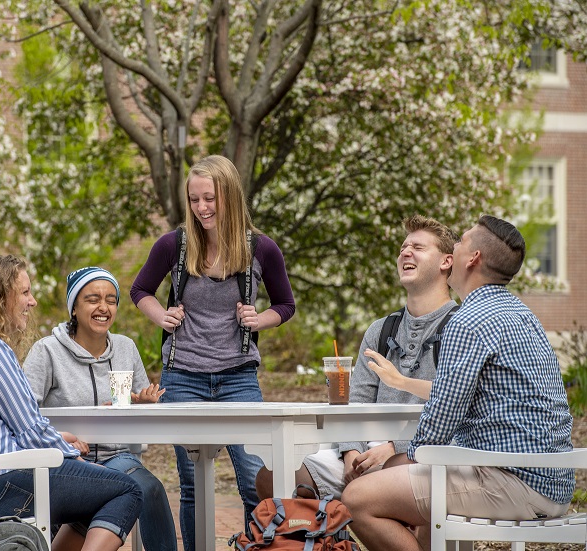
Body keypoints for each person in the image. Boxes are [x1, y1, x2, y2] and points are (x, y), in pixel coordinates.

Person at [341, 216, 575, 551]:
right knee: (419, 498)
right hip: (554, 480)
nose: (454, 248)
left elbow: (438, 424)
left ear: (473, 258)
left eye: (461, 242)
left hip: (512, 482)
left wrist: (393, 457)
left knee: (357, 497)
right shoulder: (522, 314)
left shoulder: (468, 320)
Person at [130, 154, 295, 551]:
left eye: (210, 199)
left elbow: (285, 305)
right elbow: (140, 291)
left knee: (256, 479)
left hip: (239, 377)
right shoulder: (173, 245)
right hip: (183, 375)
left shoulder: (262, 248)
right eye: (194, 200)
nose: (202, 208)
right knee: (192, 483)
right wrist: (162, 316)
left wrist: (259, 320)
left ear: (230, 198)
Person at [0, 255, 143, 551]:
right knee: (127, 489)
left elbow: (9, 427)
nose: (32, 301)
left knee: (95, 492)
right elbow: (31, 431)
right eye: (25, 292)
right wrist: (68, 453)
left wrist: (60, 440)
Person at [254, 214, 458, 500]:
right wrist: (350, 451)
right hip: (364, 456)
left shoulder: (461, 329)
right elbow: (356, 402)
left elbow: (456, 410)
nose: (405, 252)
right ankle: (333, 542)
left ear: (446, 262)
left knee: (393, 483)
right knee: (274, 476)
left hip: (419, 456)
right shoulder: (381, 329)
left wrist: (395, 447)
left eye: (418, 247)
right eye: (402, 248)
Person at [23, 266, 178, 551]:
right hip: (68, 462)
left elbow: (138, 404)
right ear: (74, 307)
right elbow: (23, 414)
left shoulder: (126, 348)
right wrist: (62, 441)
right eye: (93, 299)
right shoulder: (46, 351)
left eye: (111, 300)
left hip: (117, 457)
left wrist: (142, 403)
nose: (103, 307)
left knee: (150, 488)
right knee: (118, 490)